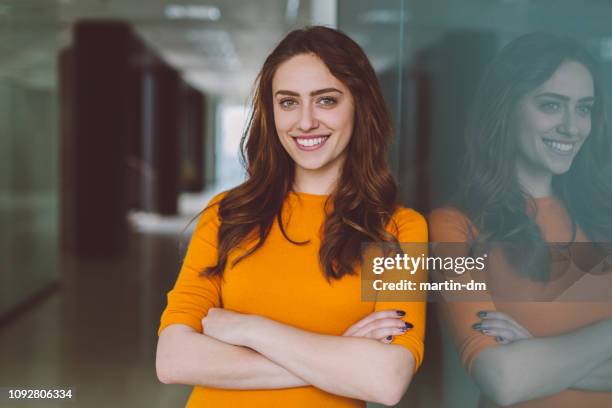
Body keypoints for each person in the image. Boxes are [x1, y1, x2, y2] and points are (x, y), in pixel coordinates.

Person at [155, 26, 428, 407]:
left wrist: (247, 328)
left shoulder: (400, 229)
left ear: (359, 105)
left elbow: (386, 380)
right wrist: (340, 356)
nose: (305, 122)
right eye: (288, 102)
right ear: (271, 112)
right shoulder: (227, 214)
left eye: (326, 100)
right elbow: (172, 360)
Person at [429, 32, 612, 407]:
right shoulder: (452, 227)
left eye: (583, 108)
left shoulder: (603, 217)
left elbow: (523, 373)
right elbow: (505, 379)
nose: (572, 127)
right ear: (506, 108)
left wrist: (536, 353)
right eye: (551, 105)